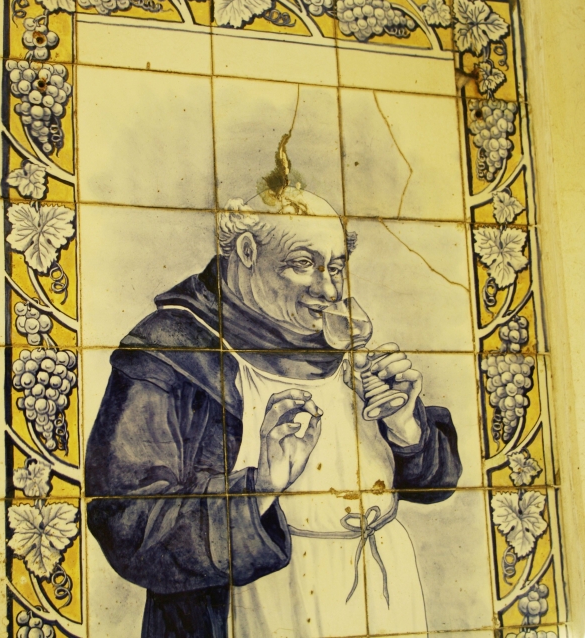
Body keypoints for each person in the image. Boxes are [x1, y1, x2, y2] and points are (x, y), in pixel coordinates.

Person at [85, 141, 462, 638]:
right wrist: (260, 486)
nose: (329, 291)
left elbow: (435, 484)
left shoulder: (335, 335)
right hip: (256, 609)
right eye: (303, 263)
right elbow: (127, 524)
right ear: (246, 252)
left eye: (335, 267)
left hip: (385, 597)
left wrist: (407, 429)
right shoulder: (169, 351)